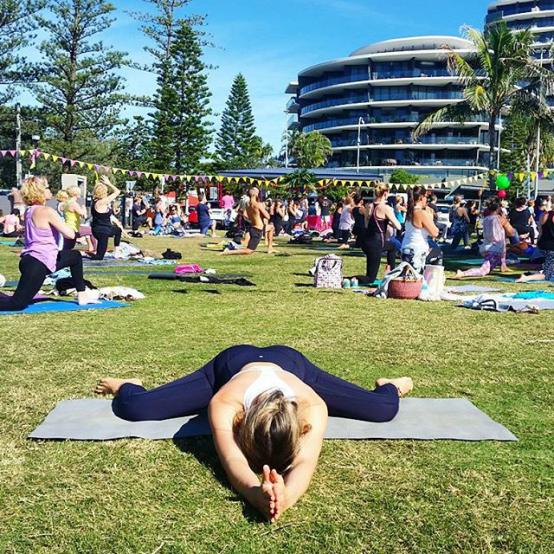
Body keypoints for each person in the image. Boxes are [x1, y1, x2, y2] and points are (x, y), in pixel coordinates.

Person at [95, 344, 413, 522]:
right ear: (240, 422)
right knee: (136, 408)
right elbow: (231, 457)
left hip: (291, 363)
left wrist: (286, 496)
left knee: (383, 409)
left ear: (302, 427)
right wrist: (253, 493)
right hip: (232, 363)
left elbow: (306, 463)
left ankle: (392, 385)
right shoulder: (224, 402)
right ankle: (127, 385)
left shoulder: (312, 406)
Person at [0, 177, 99, 311]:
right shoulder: (46, 211)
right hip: (37, 263)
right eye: (46, 188)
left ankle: (82, 294)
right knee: (16, 304)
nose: (50, 190)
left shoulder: (29, 211)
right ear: (39, 192)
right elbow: (69, 234)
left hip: (38, 260)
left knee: (74, 256)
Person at [455, 199, 515, 279]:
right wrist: (507, 222)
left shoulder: (486, 219)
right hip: (494, 249)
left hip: (487, 246)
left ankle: (503, 266)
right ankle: (463, 273)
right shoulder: (500, 219)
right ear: (498, 209)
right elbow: (511, 232)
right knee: (484, 270)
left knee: (499, 255)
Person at [359, 184, 401, 284]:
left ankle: (391, 273)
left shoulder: (369, 205)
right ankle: (349, 279)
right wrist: (390, 221)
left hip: (366, 241)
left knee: (392, 246)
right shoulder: (385, 208)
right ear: (385, 193)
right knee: (370, 279)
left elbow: (366, 224)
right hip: (377, 243)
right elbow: (398, 226)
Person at [401, 186, 440, 273]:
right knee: (438, 253)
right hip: (417, 250)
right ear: (421, 198)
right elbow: (435, 233)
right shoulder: (420, 213)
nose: (427, 199)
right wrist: (430, 216)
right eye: (426, 197)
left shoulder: (410, 211)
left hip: (406, 247)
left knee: (409, 277)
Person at [223, 188, 270, 255]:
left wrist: (256, 217)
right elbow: (268, 216)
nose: (258, 194)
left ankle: (270, 248)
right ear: (254, 194)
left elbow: (245, 215)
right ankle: (229, 251)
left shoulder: (248, 206)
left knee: (271, 228)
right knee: (249, 250)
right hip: (258, 230)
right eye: (258, 192)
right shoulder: (258, 205)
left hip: (252, 227)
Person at [517, 208, 554, 283]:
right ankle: (526, 277)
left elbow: (540, 232)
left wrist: (538, 245)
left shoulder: (544, 215)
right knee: (547, 275)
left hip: (543, 245)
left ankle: (530, 274)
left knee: (549, 268)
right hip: (552, 248)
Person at [90, 176, 122, 260]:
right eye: (106, 192)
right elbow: (117, 191)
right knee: (99, 257)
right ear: (104, 193)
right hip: (102, 232)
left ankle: (117, 251)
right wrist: (108, 183)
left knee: (118, 230)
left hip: (99, 229)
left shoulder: (95, 201)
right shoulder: (102, 202)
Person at [62, 186, 91, 251]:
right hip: (72, 227)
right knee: (91, 231)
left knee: (68, 246)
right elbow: (84, 216)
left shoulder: (67, 202)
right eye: (79, 193)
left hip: (69, 226)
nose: (80, 194)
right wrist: (84, 208)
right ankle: (93, 248)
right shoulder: (74, 204)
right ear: (75, 194)